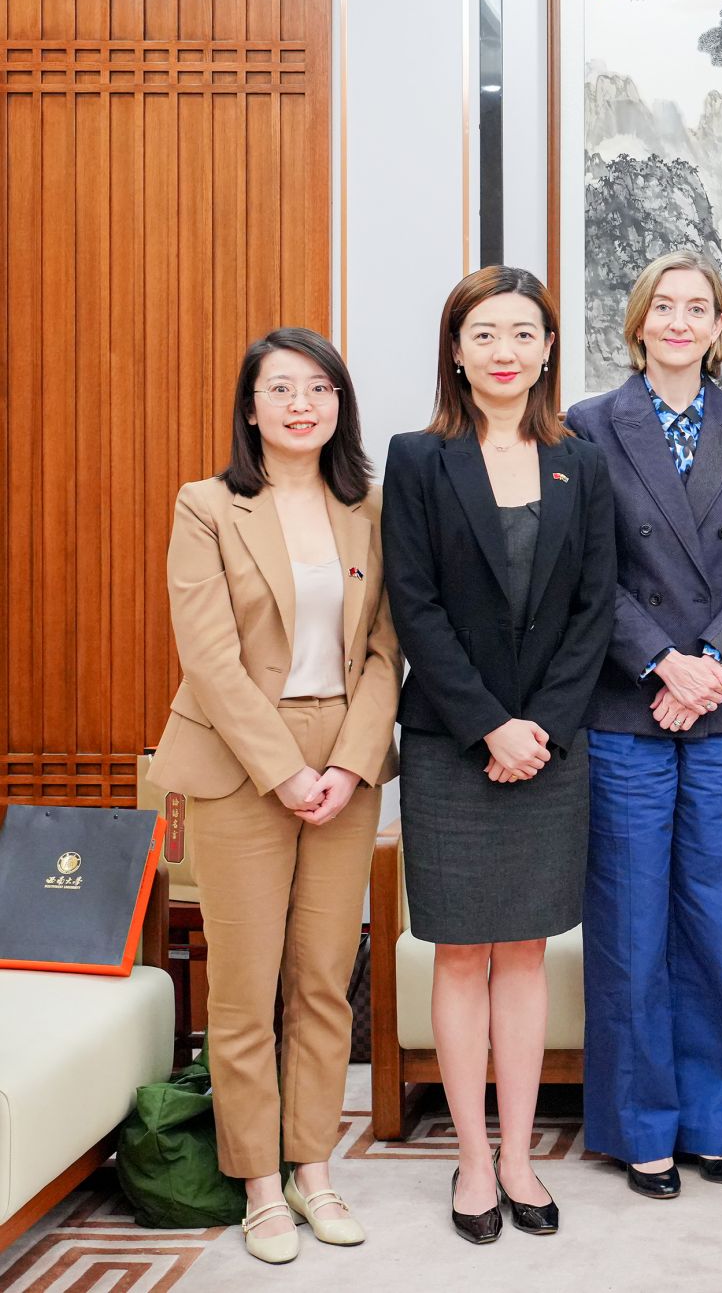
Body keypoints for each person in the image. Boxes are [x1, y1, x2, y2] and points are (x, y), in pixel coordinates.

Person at [150, 328, 398, 1265]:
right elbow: (209, 658)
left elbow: (387, 649)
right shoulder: (207, 505)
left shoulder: (370, 507)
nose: (302, 404)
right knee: (246, 987)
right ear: (251, 408)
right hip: (239, 760)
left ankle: (314, 1169)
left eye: (320, 388)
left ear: (340, 405)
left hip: (345, 761)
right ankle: (259, 1181)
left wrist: (351, 762)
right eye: (282, 388)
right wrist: (284, 769)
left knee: (324, 979)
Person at [382, 266, 616, 1243]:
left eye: (523, 332)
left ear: (549, 349)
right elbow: (414, 605)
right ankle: (472, 1161)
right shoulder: (417, 459)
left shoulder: (580, 462)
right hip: (451, 744)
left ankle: (520, 1155)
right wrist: (489, 726)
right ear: (455, 350)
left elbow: (593, 609)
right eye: (484, 333)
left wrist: (540, 729)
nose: (505, 350)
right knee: (461, 950)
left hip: (550, 749)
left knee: (524, 950)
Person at [565, 251, 722, 1198]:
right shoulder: (587, 424)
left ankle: (712, 1122)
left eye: (699, 307)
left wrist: (708, 667)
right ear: (638, 321)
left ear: (720, 326)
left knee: (714, 917)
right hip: (627, 704)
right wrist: (664, 661)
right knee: (630, 922)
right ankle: (642, 1129)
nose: (680, 321)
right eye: (664, 305)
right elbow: (586, 570)